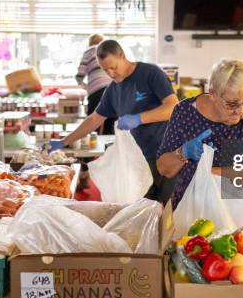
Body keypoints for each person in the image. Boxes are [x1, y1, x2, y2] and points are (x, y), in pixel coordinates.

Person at [156, 59, 243, 245]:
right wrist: (182, 153)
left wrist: (208, 173)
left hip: (239, 221)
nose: (239, 112)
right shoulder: (185, 112)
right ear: (213, 94)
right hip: (192, 216)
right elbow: (163, 168)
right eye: (231, 104)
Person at [63, 39, 179, 203]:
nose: (110, 74)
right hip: (137, 159)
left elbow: (173, 107)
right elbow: (95, 119)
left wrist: (139, 118)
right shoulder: (113, 89)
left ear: (123, 56)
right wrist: (64, 141)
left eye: (113, 67)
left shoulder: (150, 73)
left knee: (170, 207)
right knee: (143, 210)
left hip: (165, 153)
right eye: (105, 70)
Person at [76, 34, 114, 134]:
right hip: (112, 88)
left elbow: (79, 76)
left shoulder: (88, 52)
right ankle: (108, 147)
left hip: (96, 90)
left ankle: (92, 146)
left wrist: (86, 86)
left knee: (92, 124)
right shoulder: (108, 52)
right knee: (111, 122)